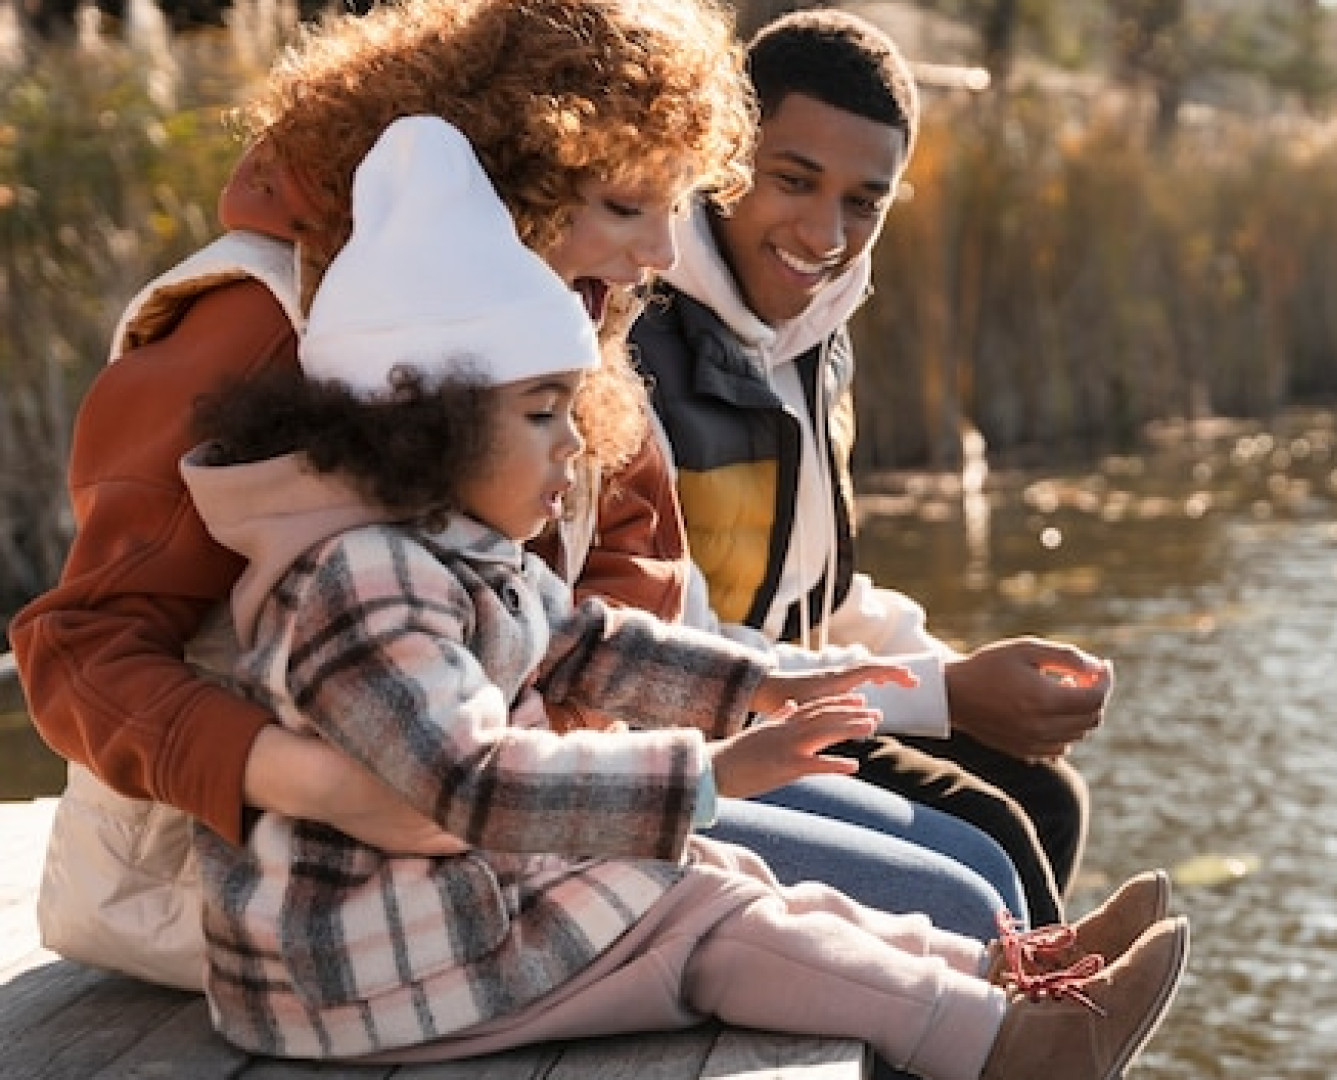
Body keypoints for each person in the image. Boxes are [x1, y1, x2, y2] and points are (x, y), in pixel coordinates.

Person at [7, 0, 1019, 990]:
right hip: (272, 894)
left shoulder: (571, 320)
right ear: (498, 180)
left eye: (674, 204)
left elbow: (626, 587)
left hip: (508, 830)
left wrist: (544, 767)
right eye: (625, 207)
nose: (664, 255)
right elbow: (80, 649)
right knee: (958, 908)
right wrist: (313, 778)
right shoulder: (258, 327)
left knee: (977, 866)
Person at [178, 113, 1188, 1079]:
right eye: (541, 414)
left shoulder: (453, 549)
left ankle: (998, 976)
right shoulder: (361, 582)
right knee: (708, 919)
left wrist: (767, 689)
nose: (574, 445)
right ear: (422, 423)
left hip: (443, 916)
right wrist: (713, 775)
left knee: (725, 882)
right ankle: (1004, 1047)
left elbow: (589, 646)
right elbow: (472, 785)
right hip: (364, 968)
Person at [629, 9, 1104, 926]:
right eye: (794, 181)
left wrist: (956, 673)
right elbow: (674, 652)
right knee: (992, 831)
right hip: (700, 732)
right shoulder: (640, 349)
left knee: (1048, 797)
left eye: (863, 201)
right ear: (727, 154)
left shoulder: (814, 342)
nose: (825, 231)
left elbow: (817, 597)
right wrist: (948, 697)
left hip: (795, 698)